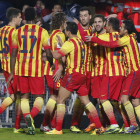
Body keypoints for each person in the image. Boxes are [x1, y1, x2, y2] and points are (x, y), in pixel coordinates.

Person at [45, 22, 104, 135]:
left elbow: (57, 56)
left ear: (68, 32)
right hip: (82, 75)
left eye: (65, 31)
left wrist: (47, 48)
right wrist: (62, 45)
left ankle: (58, 129)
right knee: (86, 102)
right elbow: (69, 53)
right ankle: (99, 126)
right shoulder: (81, 42)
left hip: (72, 75)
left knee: (60, 100)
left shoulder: (70, 42)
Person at [85, 19, 140, 134]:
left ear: (126, 30)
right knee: (133, 101)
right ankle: (127, 125)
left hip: (122, 72)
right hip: (128, 71)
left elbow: (109, 44)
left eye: (122, 27)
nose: (120, 28)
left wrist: (93, 37)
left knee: (114, 99)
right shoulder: (130, 37)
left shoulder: (123, 38)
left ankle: (128, 124)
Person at [7, 7, 54, 135]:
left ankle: (27, 117)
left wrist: (12, 73)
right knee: (40, 97)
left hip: (21, 69)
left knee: (24, 98)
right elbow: (48, 53)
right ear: (35, 17)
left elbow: (13, 54)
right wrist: (51, 63)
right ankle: (31, 117)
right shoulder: (42, 32)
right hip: (37, 69)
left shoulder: (18, 32)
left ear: (24, 17)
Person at [40, 12, 67, 133]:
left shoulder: (52, 34)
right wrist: (61, 68)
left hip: (49, 68)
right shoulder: (60, 34)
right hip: (55, 69)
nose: (66, 24)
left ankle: (50, 124)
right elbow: (59, 54)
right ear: (62, 22)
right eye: (65, 21)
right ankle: (45, 124)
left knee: (56, 97)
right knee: (55, 97)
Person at [0, 7, 24, 133]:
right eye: (20, 17)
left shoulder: (1, 30)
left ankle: (17, 125)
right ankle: (17, 126)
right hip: (14, 67)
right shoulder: (15, 32)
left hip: (4, 65)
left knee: (13, 96)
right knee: (19, 97)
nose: (21, 19)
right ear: (14, 18)